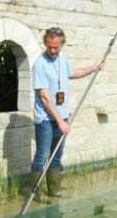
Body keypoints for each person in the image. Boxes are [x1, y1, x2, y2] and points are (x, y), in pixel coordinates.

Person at [30, 27, 104, 203]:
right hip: (46, 119)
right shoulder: (39, 64)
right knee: (42, 155)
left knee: (56, 156)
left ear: (62, 44)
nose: (53, 51)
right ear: (45, 44)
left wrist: (94, 68)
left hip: (61, 117)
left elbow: (74, 73)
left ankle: (53, 190)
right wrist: (60, 122)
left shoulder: (62, 59)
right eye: (49, 47)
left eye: (56, 47)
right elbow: (45, 98)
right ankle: (36, 193)